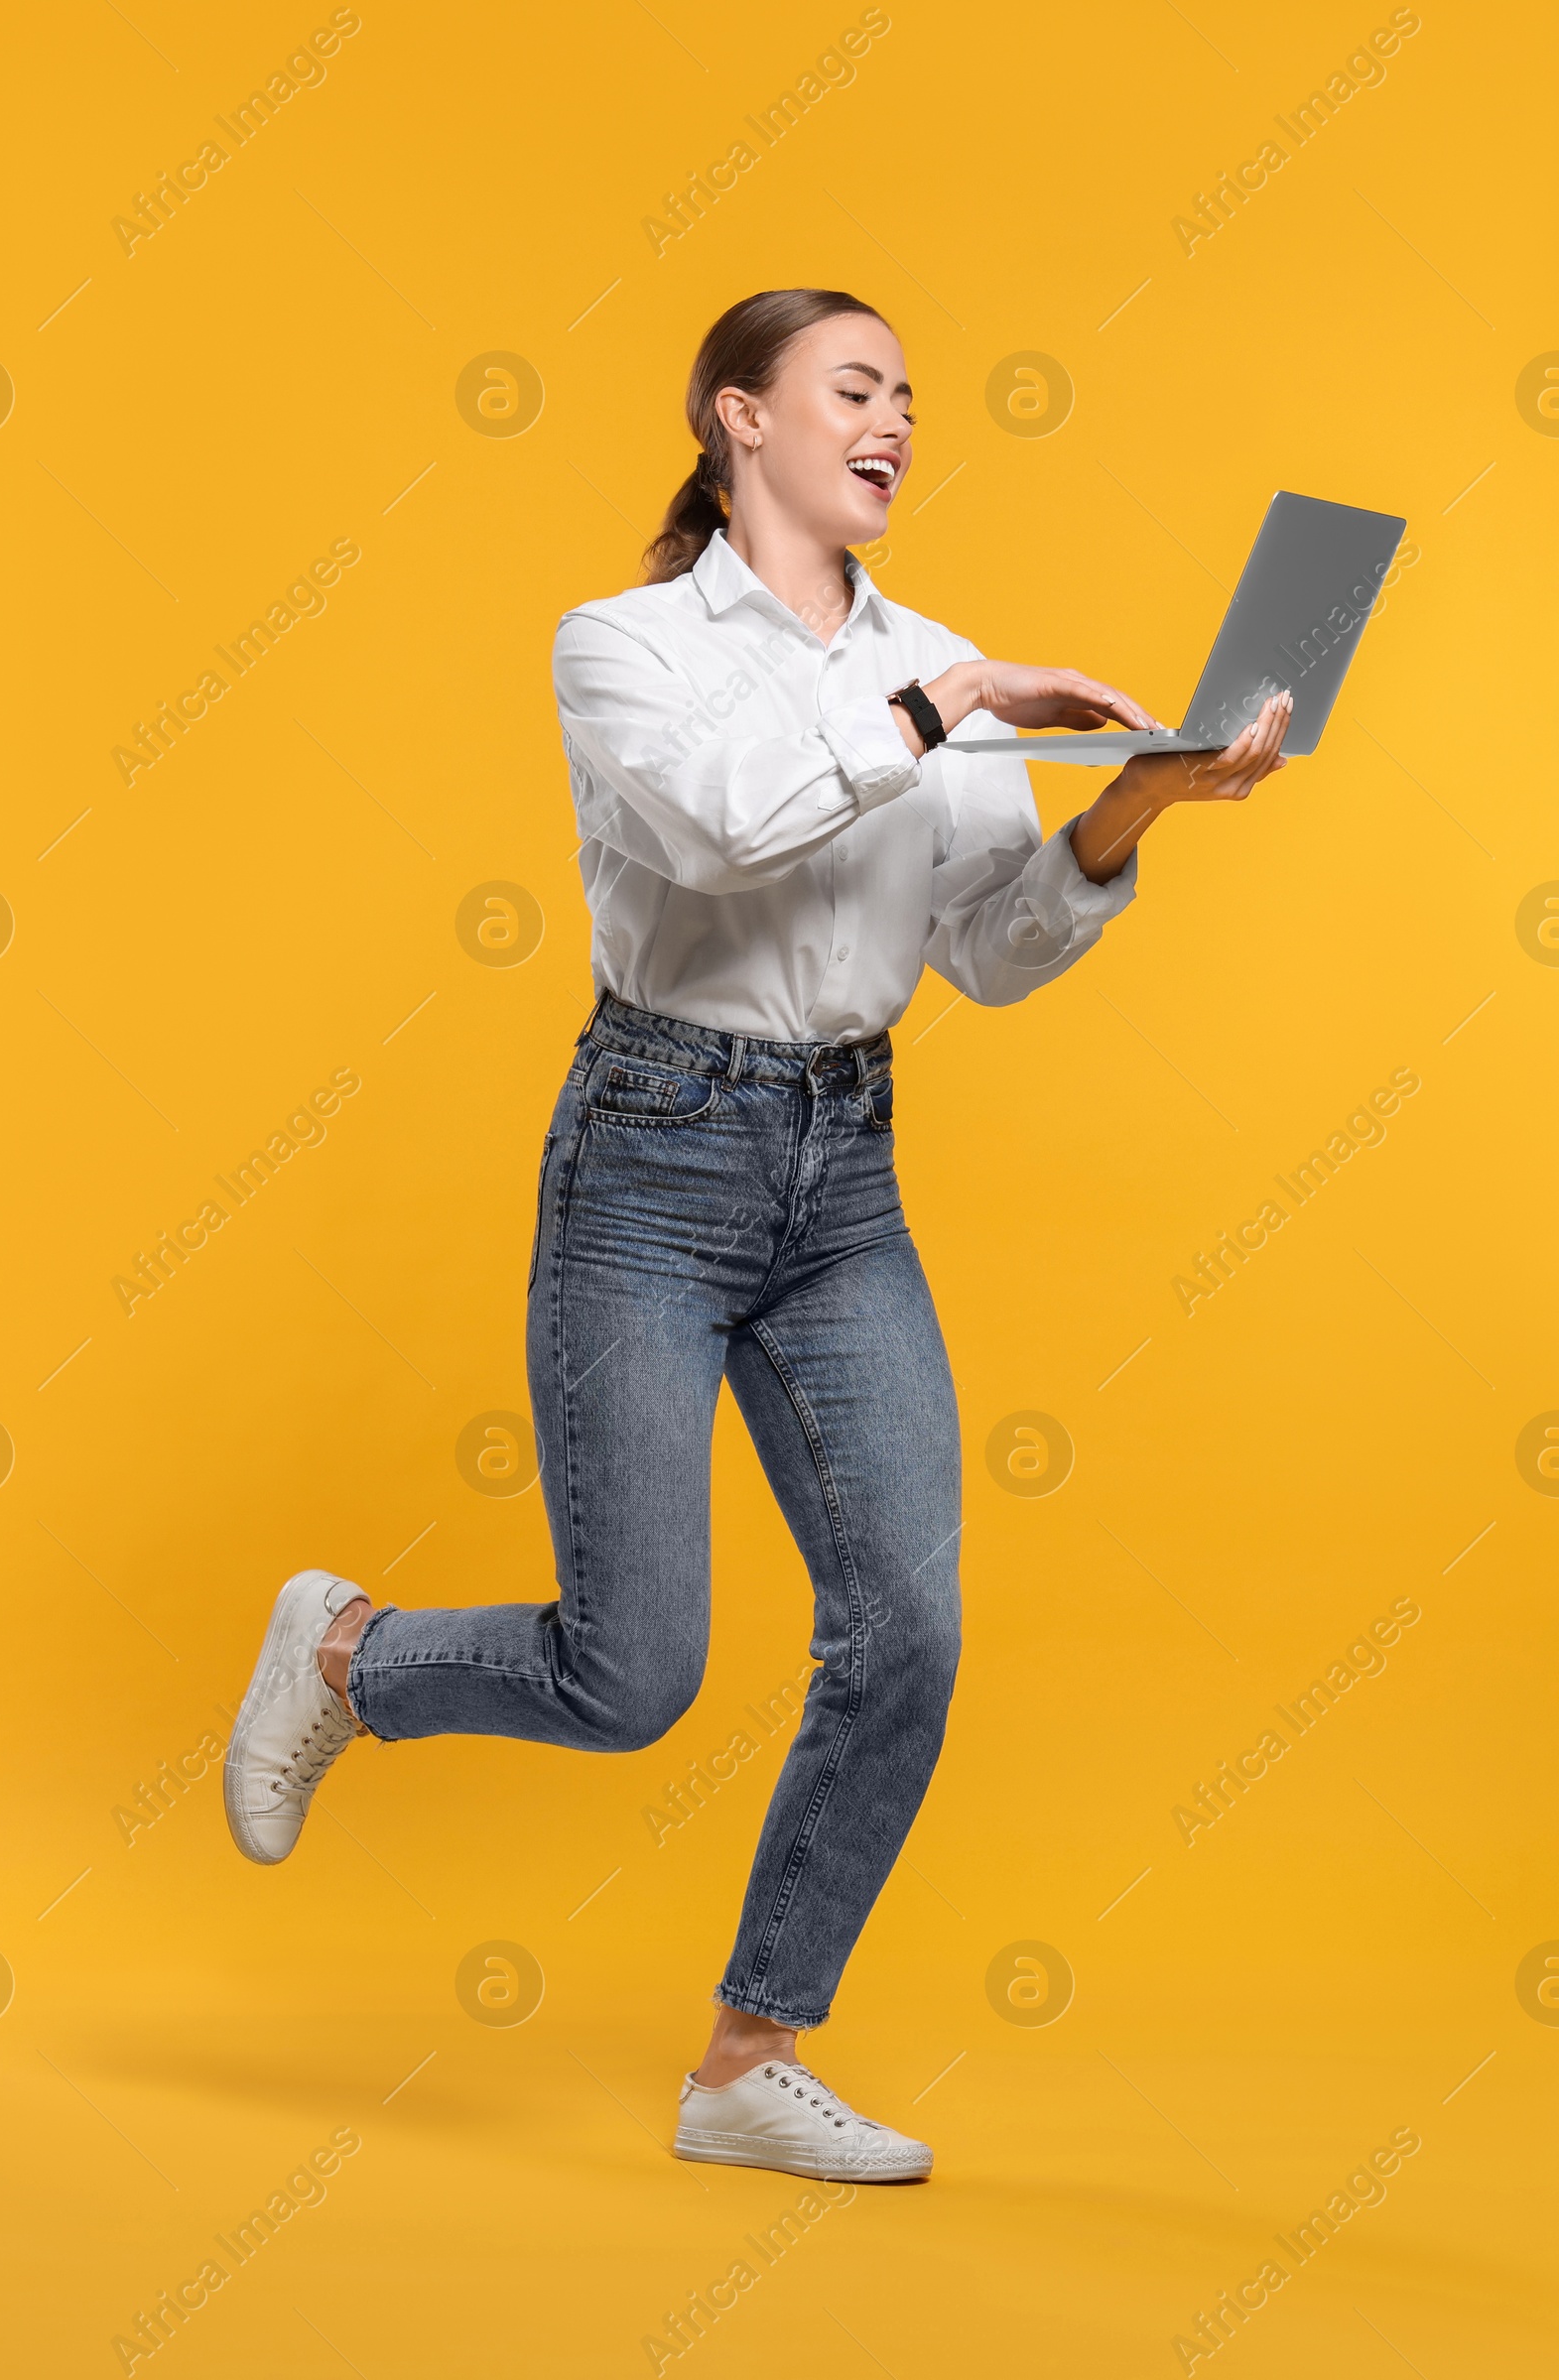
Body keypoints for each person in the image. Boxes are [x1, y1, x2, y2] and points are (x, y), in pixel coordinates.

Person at [225, 287, 1289, 2182]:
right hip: (652, 1154)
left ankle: (745, 2062)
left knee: (911, 1632)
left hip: (845, 1171)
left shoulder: (933, 649)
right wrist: (946, 707)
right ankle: (347, 1658)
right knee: (633, 1679)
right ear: (741, 419)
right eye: (854, 388)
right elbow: (723, 832)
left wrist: (1137, 803)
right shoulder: (622, 646)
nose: (893, 423)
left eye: (908, 399)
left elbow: (989, 950)